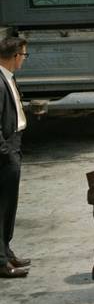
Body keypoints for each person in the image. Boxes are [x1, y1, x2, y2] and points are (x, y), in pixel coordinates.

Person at [0, 37, 30, 278]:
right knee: (2, 207)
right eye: (24, 55)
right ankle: (1, 262)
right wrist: (6, 153)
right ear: (15, 56)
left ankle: (6, 251)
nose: (24, 60)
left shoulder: (8, 78)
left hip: (14, 145)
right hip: (6, 152)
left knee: (10, 206)